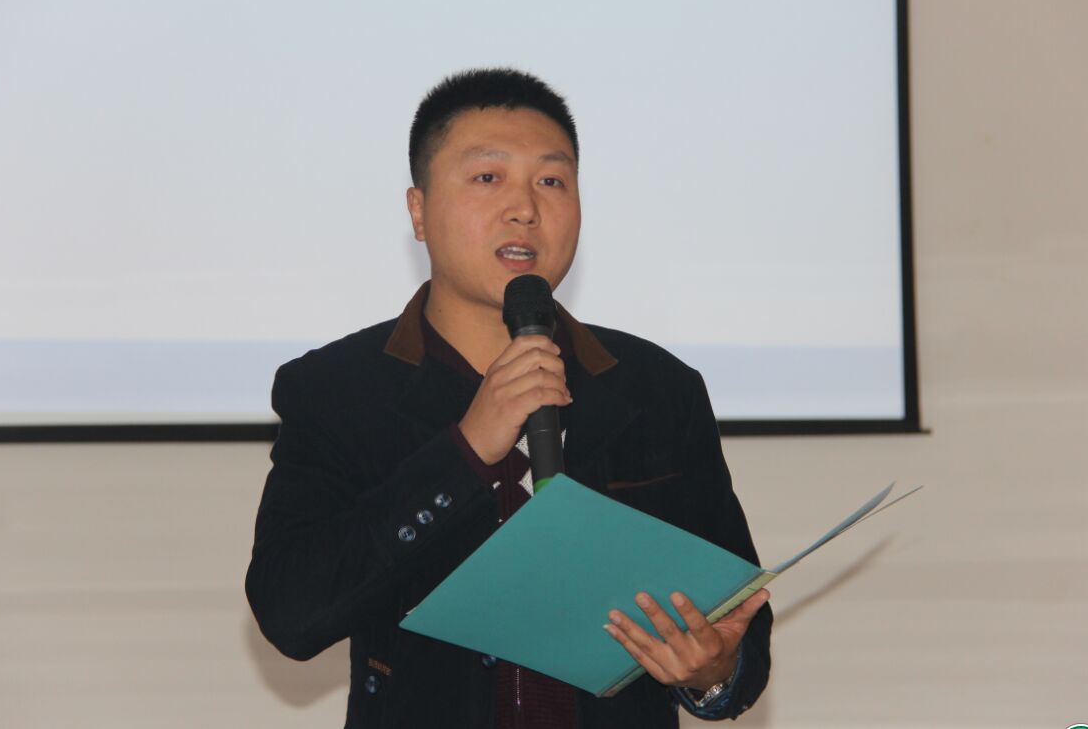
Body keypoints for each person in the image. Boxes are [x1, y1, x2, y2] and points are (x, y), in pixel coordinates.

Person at [245, 68, 773, 728]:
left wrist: (714, 671)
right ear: (418, 211)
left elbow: (740, 631)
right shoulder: (338, 390)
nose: (524, 207)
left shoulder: (657, 389)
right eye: (488, 177)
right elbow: (291, 612)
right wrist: (466, 450)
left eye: (551, 181)